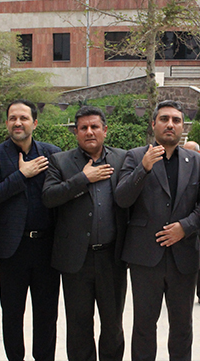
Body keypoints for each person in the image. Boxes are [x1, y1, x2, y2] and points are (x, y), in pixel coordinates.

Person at [114, 100, 200, 361]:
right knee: (144, 325)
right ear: (153, 123)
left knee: (182, 326)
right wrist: (143, 168)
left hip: (184, 256)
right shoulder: (135, 157)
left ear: (183, 126)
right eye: (164, 119)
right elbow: (122, 199)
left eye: (176, 120)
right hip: (145, 257)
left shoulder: (197, 162)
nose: (170, 124)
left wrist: (185, 227)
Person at [42, 106, 128, 361]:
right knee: (79, 326)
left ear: (105, 130)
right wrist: (82, 178)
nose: (89, 132)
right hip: (75, 260)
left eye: (94, 127)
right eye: (83, 128)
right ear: (76, 132)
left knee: (113, 325)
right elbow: (49, 197)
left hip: (112, 258)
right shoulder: (60, 161)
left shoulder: (122, 159)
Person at [0, 99, 62, 361]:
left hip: (46, 248)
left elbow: (61, 198)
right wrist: (21, 175)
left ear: (34, 123)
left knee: (46, 315)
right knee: (12, 314)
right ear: (6, 123)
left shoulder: (52, 154)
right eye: (13, 118)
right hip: (12, 249)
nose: (18, 123)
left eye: (24, 118)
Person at [184, 140, 200, 309]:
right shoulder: (179, 167)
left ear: (198, 154)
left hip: (198, 219)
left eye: (190, 152)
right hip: (179, 220)